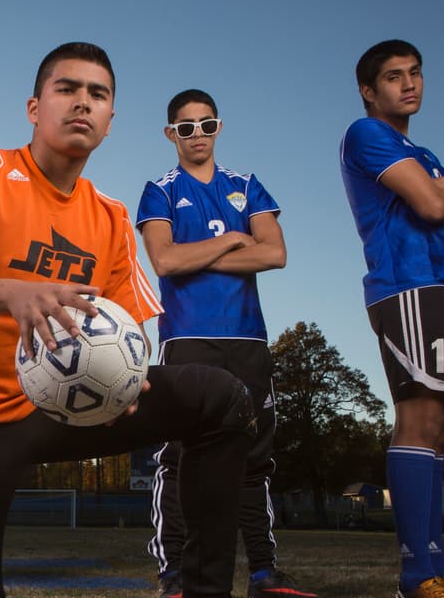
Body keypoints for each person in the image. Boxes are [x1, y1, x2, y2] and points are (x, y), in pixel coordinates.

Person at [0, 42, 254, 598]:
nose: (83, 103)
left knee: (219, 398)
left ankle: (196, 588)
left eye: (97, 94)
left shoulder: (110, 216)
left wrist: (126, 382)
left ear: (109, 122)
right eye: (67, 89)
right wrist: (12, 293)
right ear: (35, 107)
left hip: (54, 407)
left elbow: (130, 326)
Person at [136, 90, 315, 598]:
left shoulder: (245, 184)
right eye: (186, 127)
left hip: (247, 338)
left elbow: (275, 253)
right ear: (171, 133)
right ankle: (173, 575)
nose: (198, 135)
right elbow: (165, 262)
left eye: (206, 124)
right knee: (178, 456)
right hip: (187, 339)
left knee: (254, 457)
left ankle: (264, 572)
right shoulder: (160, 190)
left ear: (218, 127)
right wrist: (235, 240)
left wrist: (197, 254)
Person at [339, 40, 444, 598]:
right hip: (408, 286)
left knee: (440, 432)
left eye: (416, 73)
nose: (409, 84)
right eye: (394, 76)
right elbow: (431, 207)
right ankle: (415, 574)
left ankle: (436, 569)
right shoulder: (368, 134)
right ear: (369, 91)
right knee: (418, 420)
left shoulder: (422, 153)